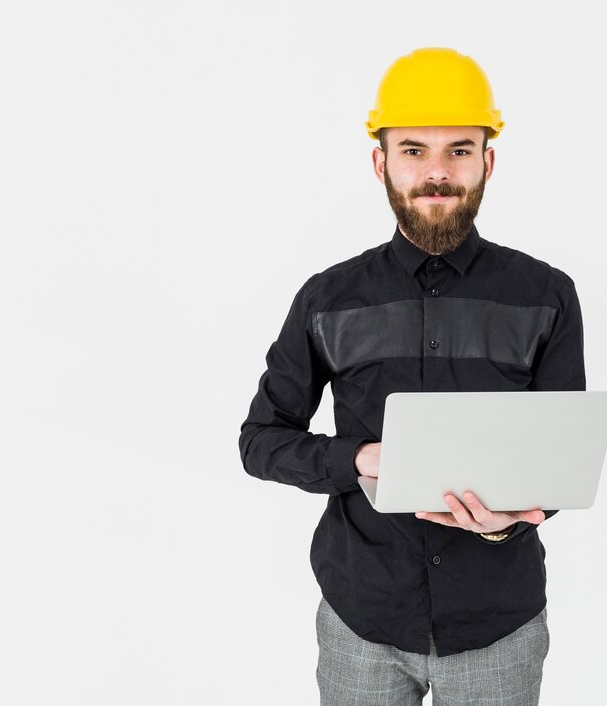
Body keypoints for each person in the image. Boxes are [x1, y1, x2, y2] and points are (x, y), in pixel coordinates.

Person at [238, 47, 585, 706]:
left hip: (498, 629)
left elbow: (561, 457)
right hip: (360, 623)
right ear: (381, 162)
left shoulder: (546, 296)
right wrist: (357, 458)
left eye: (459, 150)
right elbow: (260, 440)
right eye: (413, 150)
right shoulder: (327, 299)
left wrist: (503, 518)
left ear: (488, 159)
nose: (436, 172)